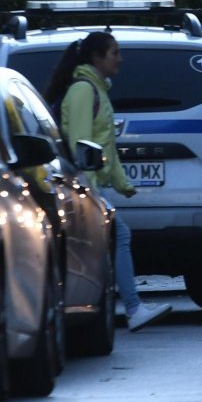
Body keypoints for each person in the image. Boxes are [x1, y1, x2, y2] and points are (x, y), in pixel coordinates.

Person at [45, 32, 172, 331]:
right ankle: (132, 308)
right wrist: (87, 192)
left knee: (114, 240)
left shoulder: (96, 90)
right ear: (97, 58)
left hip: (92, 186)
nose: (120, 58)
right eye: (115, 53)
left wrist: (122, 184)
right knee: (119, 237)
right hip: (85, 187)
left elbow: (106, 148)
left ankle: (130, 307)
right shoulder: (82, 91)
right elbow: (81, 145)